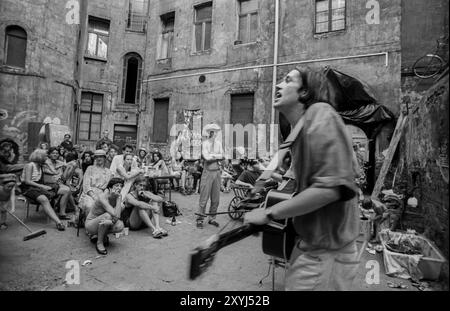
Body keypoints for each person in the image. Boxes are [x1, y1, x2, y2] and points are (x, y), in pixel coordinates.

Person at [244, 67, 360, 291]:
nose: (278, 85)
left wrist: (269, 213)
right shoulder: (299, 130)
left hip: (327, 256)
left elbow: (331, 188)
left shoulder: (321, 113)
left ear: (305, 92)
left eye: (287, 80)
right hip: (311, 248)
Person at [20, 149, 65, 231]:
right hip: (28, 187)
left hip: (37, 187)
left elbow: (54, 172)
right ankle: (58, 222)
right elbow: (27, 181)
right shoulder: (30, 165)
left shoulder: (41, 166)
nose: (47, 158)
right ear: (40, 156)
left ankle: (57, 214)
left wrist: (48, 164)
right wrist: (42, 186)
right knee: (44, 199)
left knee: (58, 189)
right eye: (45, 156)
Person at [85, 177, 125, 255]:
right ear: (110, 187)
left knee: (120, 225)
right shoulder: (102, 197)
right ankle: (99, 243)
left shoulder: (117, 196)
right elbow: (115, 214)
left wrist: (112, 222)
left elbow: (118, 216)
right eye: (116, 185)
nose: (119, 188)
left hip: (103, 221)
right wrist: (119, 198)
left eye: (121, 186)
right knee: (108, 216)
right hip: (91, 224)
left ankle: (103, 236)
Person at [196, 124, 223, 229]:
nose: (214, 133)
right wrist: (216, 156)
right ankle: (200, 219)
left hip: (217, 172)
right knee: (204, 198)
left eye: (215, 131)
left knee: (216, 198)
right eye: (212, 131)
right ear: (209, 133)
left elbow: (223, 156)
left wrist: (213, 156)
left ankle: (212, 218)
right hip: (207, 172)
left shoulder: (219, 144)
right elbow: (206, 158)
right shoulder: (205, 144)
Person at [79, 150, 112, 217]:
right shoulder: (90, 168)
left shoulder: (108, 172)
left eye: (101, 157)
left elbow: (108, 187)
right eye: (97, 157)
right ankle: (89, 223)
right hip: (90, 193)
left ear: (104, 158)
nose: (99, 158)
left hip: (103, 194)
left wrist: (103, 196)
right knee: (90, 205)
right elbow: (86, 185)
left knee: (107, 207)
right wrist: (94, 196)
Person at [42, 147, 72, 219]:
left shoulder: (56, 162)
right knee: (67, 190)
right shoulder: (46, 162)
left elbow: (67, 165)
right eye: (53, 153)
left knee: (67, 188)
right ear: (49, 154)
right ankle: (62, 213)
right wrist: (61, 168)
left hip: (56, 183)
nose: (55, 155)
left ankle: (62, 212)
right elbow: (54, 172)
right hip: (47, 184)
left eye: (56, 153)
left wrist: (66, 166)